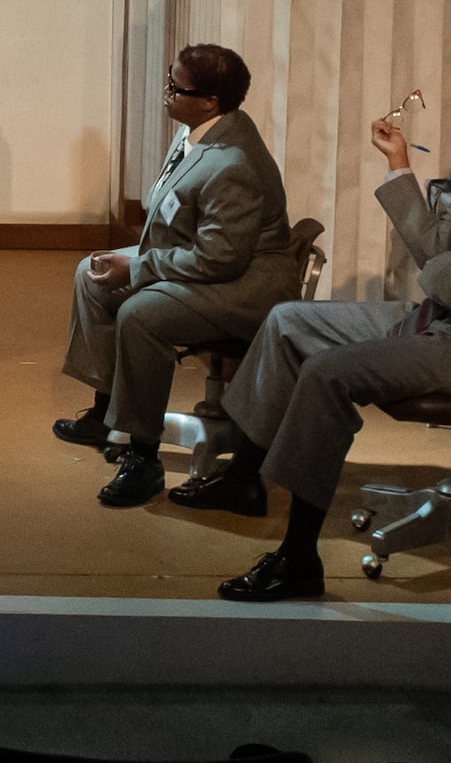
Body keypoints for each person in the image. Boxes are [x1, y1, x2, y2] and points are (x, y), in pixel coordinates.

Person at [207, 58, 451, 602]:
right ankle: (244, 478)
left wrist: (441, 269)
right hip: (442, 317)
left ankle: (298, 559)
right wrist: (398, 164)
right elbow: (439, 251)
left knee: (327, 374)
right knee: (287, 319)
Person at [54, 42, 308, 509]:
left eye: (176, 88)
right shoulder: (201, 129)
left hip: (245, 285)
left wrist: (140, 268)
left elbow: (221, 259)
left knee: (141, 314)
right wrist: (134, 264)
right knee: (91, 273)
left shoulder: (234, 163)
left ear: (209, 100)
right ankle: (105, 414)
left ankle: (142, 456)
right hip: (201, 259)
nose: (166, 93)